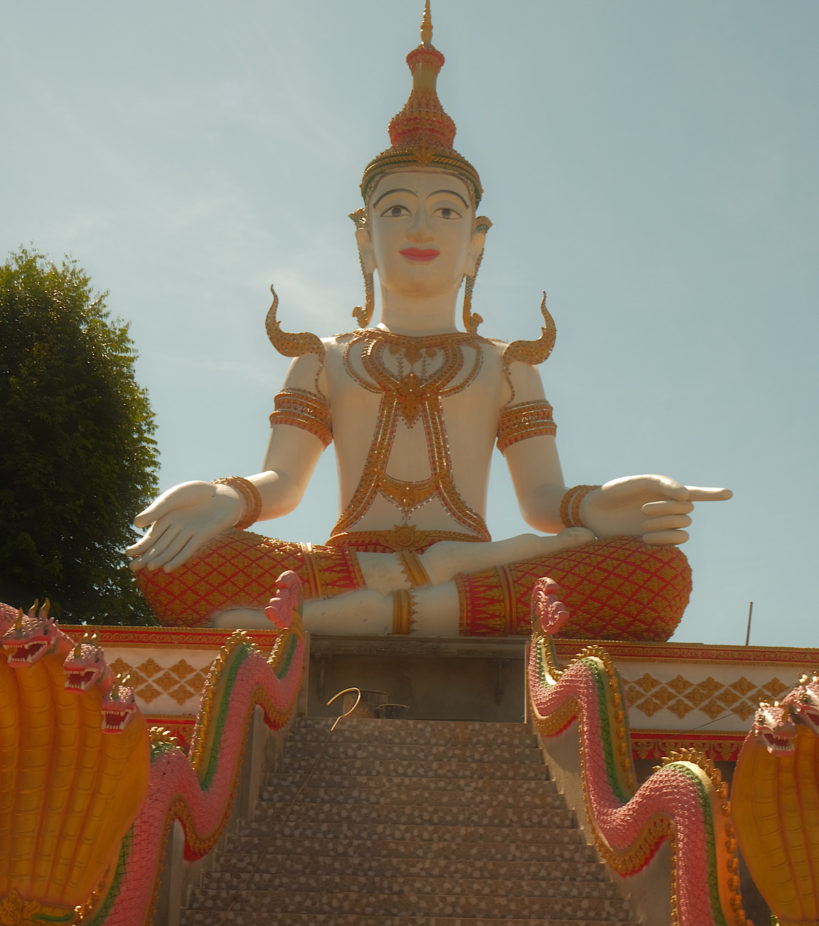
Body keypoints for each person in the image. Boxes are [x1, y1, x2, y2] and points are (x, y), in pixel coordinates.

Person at [128, 3, 730, 640]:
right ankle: (411, 598)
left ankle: (336, 620)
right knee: (174, 558)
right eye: (395, 210)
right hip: (360, 565)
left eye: (446, 212)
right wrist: (227, 499)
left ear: (477, 242)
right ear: (364, 238)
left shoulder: (507, 365)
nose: (420, 227)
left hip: (460, 567)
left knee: (656, 572)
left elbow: (543, 503)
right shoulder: (322, 357)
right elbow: (281, 484)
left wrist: (598, 507)